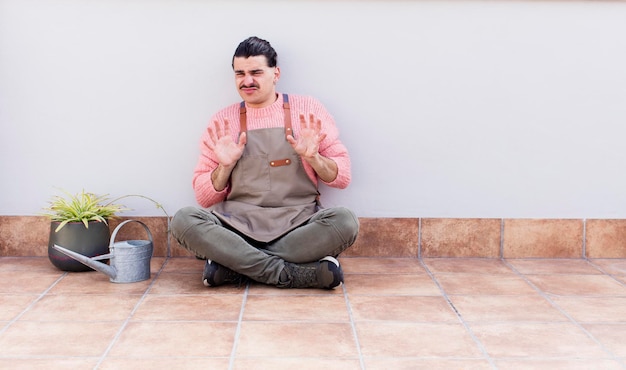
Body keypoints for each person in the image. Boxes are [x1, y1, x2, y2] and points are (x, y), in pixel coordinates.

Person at [171, 36, 359, 290]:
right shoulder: (223, 121)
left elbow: (343, 177)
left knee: (345, 222)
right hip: (237, 228)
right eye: (240, 74)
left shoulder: (308, 110)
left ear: (275, 73)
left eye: (256, 72)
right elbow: (203, 198)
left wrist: (313, 157)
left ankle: (234, 267)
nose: (247, 81)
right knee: (183, 221)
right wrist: (224, 167)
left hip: (297, 225)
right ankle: (287, 273)